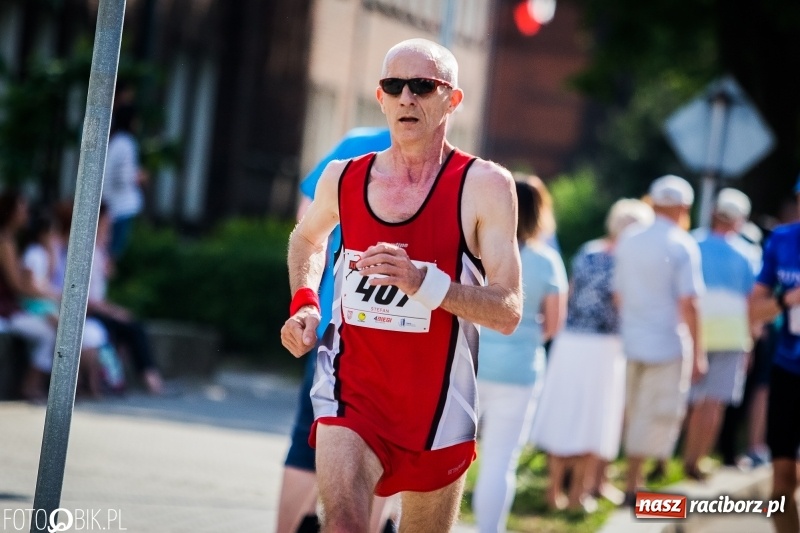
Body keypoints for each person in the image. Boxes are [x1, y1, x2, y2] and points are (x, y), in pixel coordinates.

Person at [280, 38, 522, 533]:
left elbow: (508, 309)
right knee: (344, 525)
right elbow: (306, 238)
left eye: (423, 86)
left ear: (451, 99)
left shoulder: (485, 186)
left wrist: (423, 283)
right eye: (395, 86)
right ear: (381, 97)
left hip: (438, 409)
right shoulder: (343, 177)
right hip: (352, 393)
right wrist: (306, 304)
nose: (407, 98)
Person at [276, 126, 392, 533]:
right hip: (399, 336)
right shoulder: (443, 162)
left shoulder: (355, 145)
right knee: (390, 446)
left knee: (309, 435)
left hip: (333, 322)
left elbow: (306, 222)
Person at [532, 198, 654, 512]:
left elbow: (571, 292)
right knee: (595, 417)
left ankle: (554, 490)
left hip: (570, 341)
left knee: (565, 411)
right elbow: (622, 304)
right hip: (604, 346)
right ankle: (578, 496)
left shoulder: (588, 250)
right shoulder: (629, 261)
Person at [472, 176, 567, 532]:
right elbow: (555, 325)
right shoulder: (549, 262)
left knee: (448, 452)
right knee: (501, 460)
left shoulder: (480, 251)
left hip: (473, 362)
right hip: (521, 370)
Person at [613, 175, 707, 505]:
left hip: (631, 339)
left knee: (632, 410)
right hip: (666, 342)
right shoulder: (682, 244)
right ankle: (636, 486)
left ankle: (628, 479)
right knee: (657, 415)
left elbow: (618, 294)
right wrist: (698, 352)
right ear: (683, 207)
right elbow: (690, 303)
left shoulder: (629, 238)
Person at [682, 188, 756, 480]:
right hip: (732, 332)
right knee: (714, 402)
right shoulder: (748, 252)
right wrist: (750, 340)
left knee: (690, 400)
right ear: (739, 219)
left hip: (696, 327)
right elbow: (753, 301)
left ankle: (679, 457)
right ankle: (696, 460)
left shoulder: (693, 243)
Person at [750, 187, 800, 533]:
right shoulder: (782, 240)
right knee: (782, 481)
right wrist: (788, 300)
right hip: (789, 368)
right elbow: (754, 308)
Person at [0, 190, 57, 402]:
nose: (26, 213)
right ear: (11, 212)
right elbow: (17, 286)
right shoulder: (5, 242)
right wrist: (52, 296)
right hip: (5, 310)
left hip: (11, 307)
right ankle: (29, 387)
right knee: (49, 334)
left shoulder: (10, 240)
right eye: (22, 208)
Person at [102, 101, 147, 260]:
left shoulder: (115, 141)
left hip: (112, 205)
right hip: (120, 206)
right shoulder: (126, 143)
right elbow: (122, 176)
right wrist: (138, 176)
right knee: (111, 256)